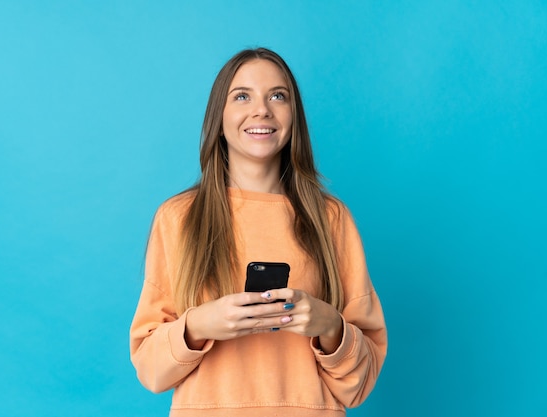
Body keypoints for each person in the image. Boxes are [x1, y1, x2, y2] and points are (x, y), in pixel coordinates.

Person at [130, 47, 387, 416]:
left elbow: (359, 383)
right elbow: (151, 370)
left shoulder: (331, 218)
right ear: (219, 116)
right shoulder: (178, 218)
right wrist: (200, 325)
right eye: (242, 96)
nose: (262, 109)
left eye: (277, 96)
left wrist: (330, 326)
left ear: (293, 116)